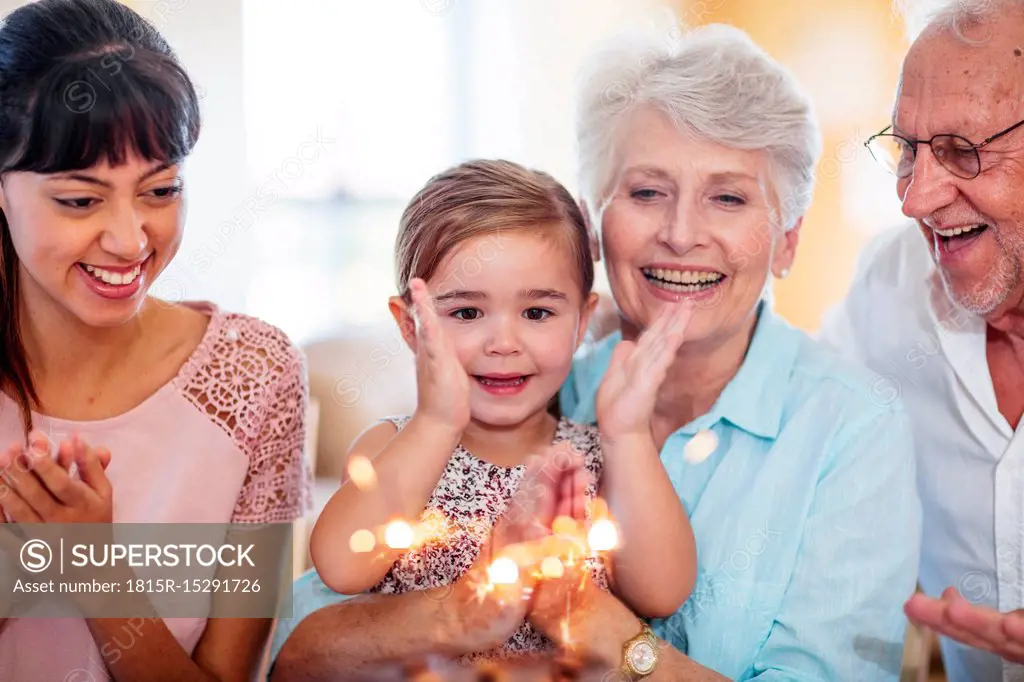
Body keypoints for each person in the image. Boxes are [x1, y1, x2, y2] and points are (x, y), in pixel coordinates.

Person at [269, 20, 921, 682]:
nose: (681, 233)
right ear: (596, 226)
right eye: (646, 192)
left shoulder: (851, 429)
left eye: (727, 197)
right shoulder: (522, 393)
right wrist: (460, 612)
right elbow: (301, 645)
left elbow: (664, 589)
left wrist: (603, 630)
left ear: (786, 239)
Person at [0, 0, 312, 680]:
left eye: (161, 190)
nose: (130, 240)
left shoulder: (255, 375)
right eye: (79, 200)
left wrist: (95, 570)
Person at [307, 158, 697, 664]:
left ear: (580, 322)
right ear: (410, 327)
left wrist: (628, 436)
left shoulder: (604, 458)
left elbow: (663, 591)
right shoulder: (391, 446)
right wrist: (436, 423)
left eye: (537, 313)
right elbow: (340, 566)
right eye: (467, 313)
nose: (504, 343)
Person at [819, 0, 1024, 679]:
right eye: (908, 150)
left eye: (962, 152)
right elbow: (794, 412)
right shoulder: (891, 282)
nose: (914, 199)